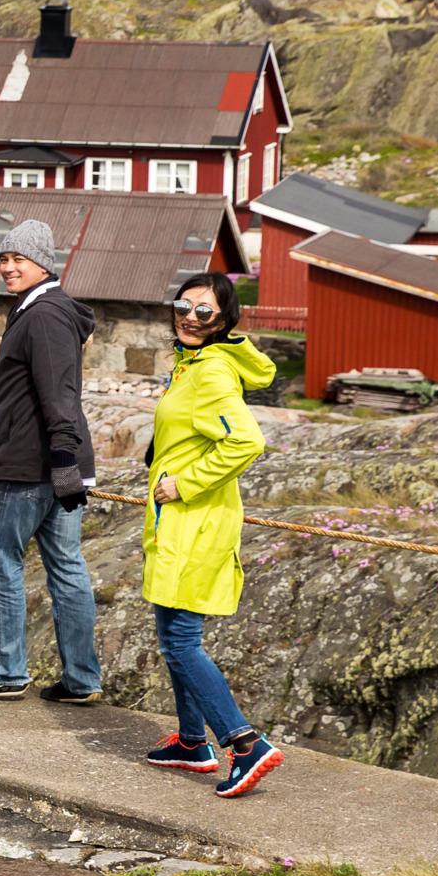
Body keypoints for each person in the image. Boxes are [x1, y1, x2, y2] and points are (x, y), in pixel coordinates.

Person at [141, 272, 283, 798]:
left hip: (193, 521)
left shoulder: (211, 373)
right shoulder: (192, 363)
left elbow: (246, 441)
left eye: (205, 312)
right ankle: (192, 743)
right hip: (180, 522)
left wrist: (184, 485)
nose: (191, 317)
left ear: (224, 322)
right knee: (173, 635)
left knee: (180, 642)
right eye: (185, 305)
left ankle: (244, 743)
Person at [0, 218, 104, 703]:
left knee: (2, 563)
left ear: (43, 263)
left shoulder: (42, 316)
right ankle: (82, 680)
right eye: (4, 258)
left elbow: (57, 391)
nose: (8, 267)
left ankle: (3, 672)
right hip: (52, 461)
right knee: (66, 566)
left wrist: (60, 455)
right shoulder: (49, 310)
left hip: (32, 468)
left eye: (19, 258)